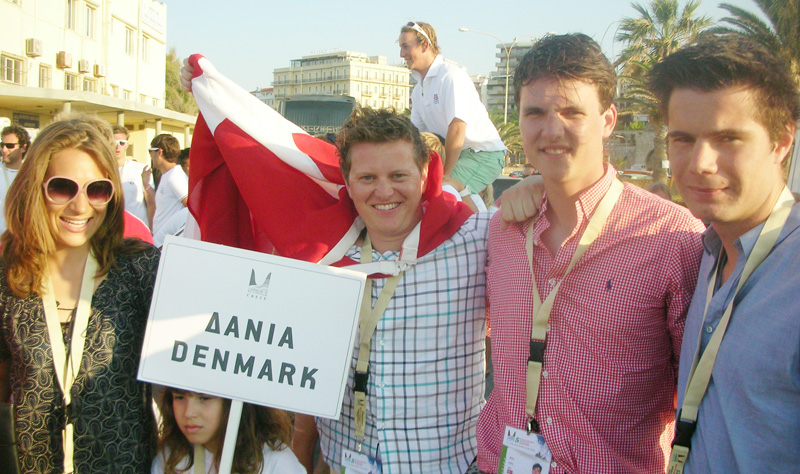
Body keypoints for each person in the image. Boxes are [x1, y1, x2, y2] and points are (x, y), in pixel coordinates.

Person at [182, 56, 489, 473]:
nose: (384, 191)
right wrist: (208, 93)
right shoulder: (319, 256)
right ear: (346, 182)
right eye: (367, 178)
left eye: (399, 175)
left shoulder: (475, 240)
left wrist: (534, 183)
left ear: (425, 173)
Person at [475, 34, 706, 473]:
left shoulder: (672, 238)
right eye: (535, 113)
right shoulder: (502, 230)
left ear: (608, 119)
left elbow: (700, 397)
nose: (551, 129)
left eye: (571, 112)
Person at [648, 33, 800, 473]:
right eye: (683, 139)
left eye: (728, 138)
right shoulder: (708, 253)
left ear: (782, 140)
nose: (700, 163)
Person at [0, 114, 159, 473]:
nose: (80, 206)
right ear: (34, 186)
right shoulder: (7, 275)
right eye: (62, 187)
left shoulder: (140, 268)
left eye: (97, 189)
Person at [400, 21, 506, 199]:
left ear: (425, 45)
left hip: (483, 154)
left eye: (405, 47)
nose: (401, 54)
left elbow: (457, 128)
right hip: (461, 156)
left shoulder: (450, 76)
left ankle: (482, 225)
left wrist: (445, 176)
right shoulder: (419, 90)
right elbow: (416, 137)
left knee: (442, 193)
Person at [152, 388, 304, 474]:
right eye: (179, 398)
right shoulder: (172, 457)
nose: (188, 413)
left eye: (204, 398)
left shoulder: (276, 462)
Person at [149, 134, 188, 248]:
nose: (151, 156)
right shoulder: (168, 175)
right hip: (162, 242)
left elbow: (190, 206)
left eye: (151, 151)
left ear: (159, 152)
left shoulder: (174, 177)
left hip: (166, 243)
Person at [114, 125, 155, 228]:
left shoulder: (141, 169)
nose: (117, 146)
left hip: (137, 229)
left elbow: (151, 202)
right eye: (113, 143)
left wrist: (151, 230)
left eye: (122, 143)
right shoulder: (102, 170)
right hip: (113, 229)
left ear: (127, 145)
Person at [0, 125, 30, 233]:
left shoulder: (30, 174)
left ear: (23, 147)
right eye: (2, 145)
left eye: (10, 146)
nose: (4, 149)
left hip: (19, 240)